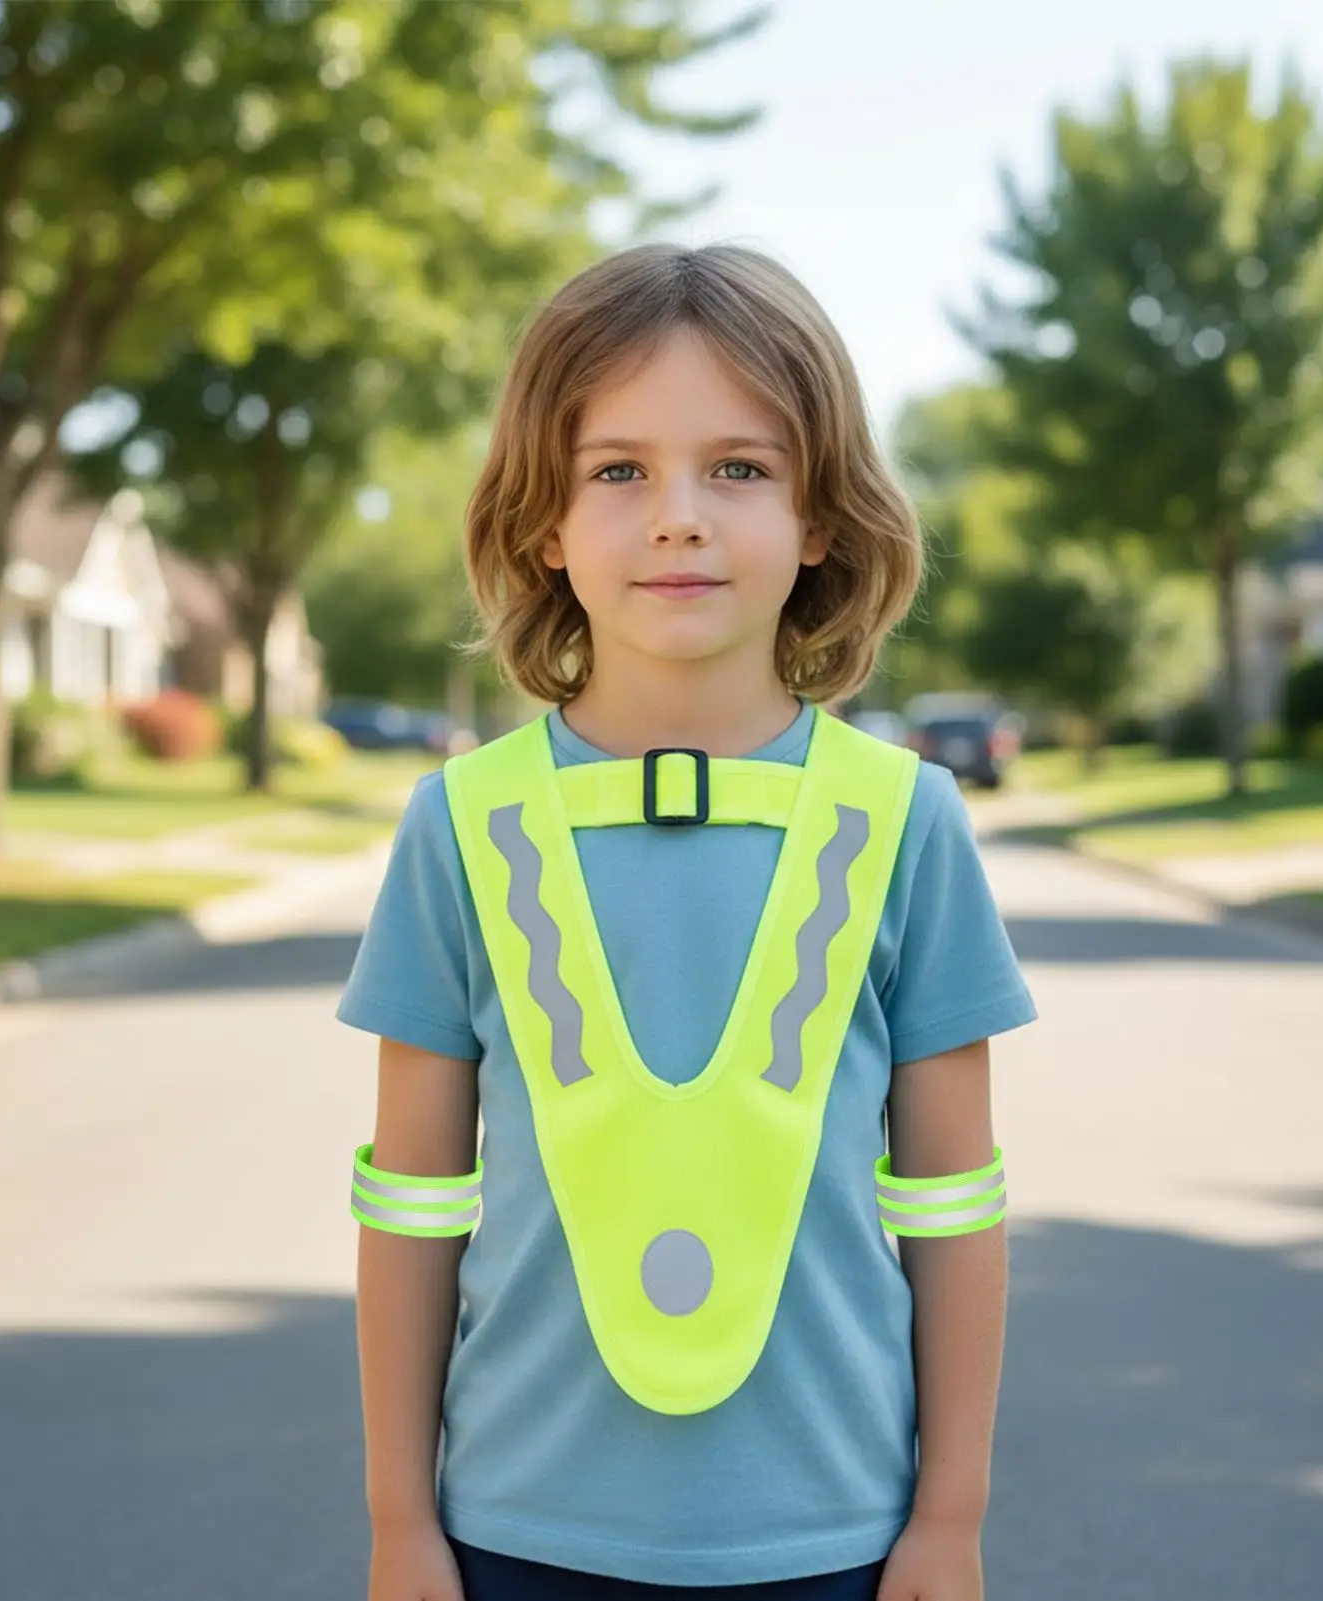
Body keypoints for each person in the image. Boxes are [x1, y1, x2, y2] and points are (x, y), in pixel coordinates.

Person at [337, 242, 1039, 1601]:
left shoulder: (907, 827)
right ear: (544, 519)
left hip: (839, 1544)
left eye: (740, 468)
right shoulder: (462, 829)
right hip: (514, 1539)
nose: (679, 518)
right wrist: (397, 1527)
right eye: (618, 471)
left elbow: (954, 1206)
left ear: (820, 515)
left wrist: (949, 1521)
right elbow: (410, 1207)